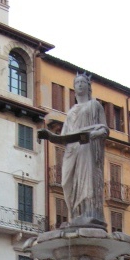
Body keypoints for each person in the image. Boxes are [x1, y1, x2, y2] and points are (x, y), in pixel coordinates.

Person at [39, 72, 109, 227]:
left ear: (88, 86)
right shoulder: (71, 111)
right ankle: (75, 215)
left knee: (86, 181)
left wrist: (92, 135)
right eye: (77, 82)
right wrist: (48, 135)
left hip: (87, 147)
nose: (79, 85)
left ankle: (89, 214)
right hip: (72, 150)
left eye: (83, 82)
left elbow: (104, 129)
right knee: (66, 182)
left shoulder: (95, 106)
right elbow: (63, 137)